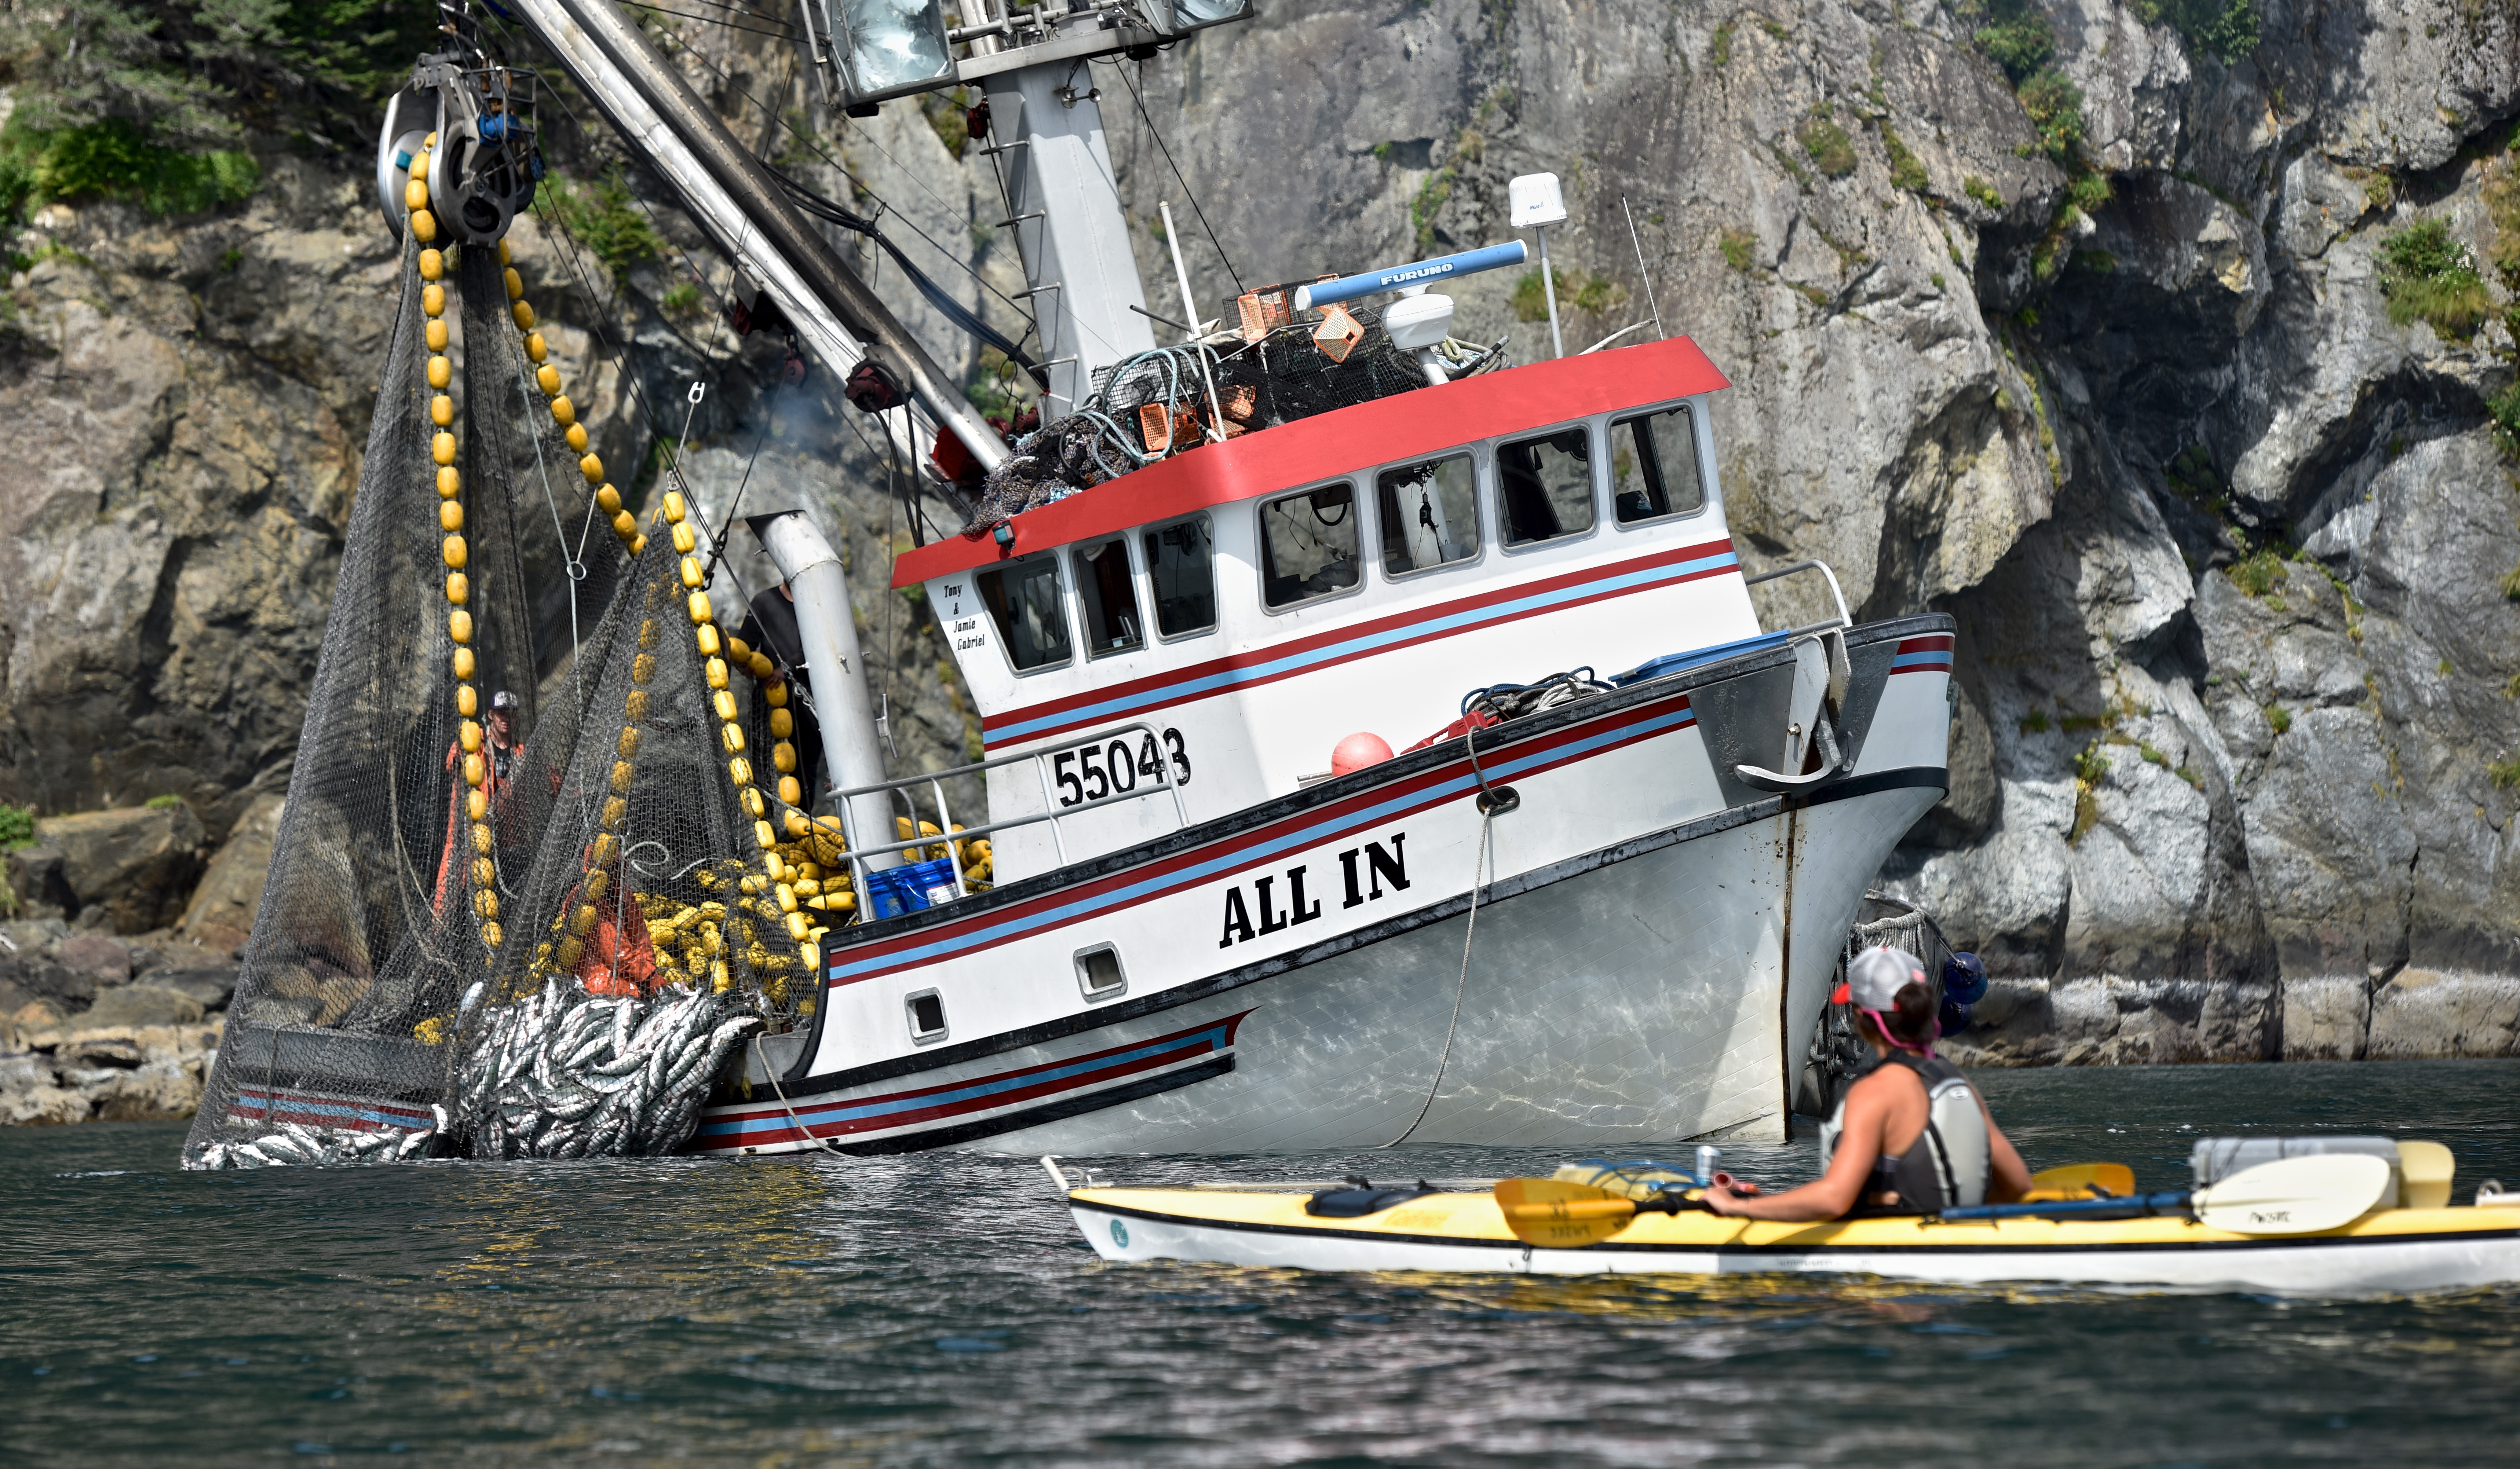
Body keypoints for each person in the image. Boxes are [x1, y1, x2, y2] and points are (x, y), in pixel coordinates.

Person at [1703, 946, 2031, 1221]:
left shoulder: (1875, 1092)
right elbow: (2018, 1186)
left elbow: (1834, 1199)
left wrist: (1739, 1206)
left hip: (1891, 1290)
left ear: (1863, 1017)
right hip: (1950, 1259)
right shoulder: (1959, 1082)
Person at [431, 689, 525, 919]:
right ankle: (441, 931)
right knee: (454, 882)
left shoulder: (520, 753)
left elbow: (547, 778)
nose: (506, 719)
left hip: (506, 835)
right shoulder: (476, 743)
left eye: (511, 714)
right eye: (502, 713)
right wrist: (461, 753)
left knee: (499, 893)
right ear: (491, 715)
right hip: (472, 830)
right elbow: (452, 760)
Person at [735, 580, 823, 806]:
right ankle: (770, 821)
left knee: (806, 767)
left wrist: (786, 669)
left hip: (810, 701)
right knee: (764, 762)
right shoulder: (764, 602)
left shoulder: (817, 604)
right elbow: (746, 643)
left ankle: (802, 823)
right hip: (769, 698)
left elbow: (820, 644)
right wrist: (744, 665)